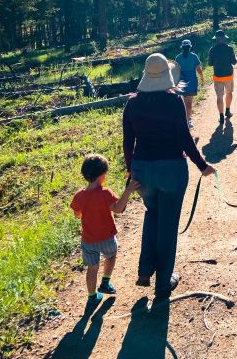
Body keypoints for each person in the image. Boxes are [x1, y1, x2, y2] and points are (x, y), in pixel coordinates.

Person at [123, 53, 215, 300]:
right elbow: (184, 138)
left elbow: (127, 143)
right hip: (171, 169)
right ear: (167, 76)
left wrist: (131, 171)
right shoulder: (174, 102)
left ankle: (145, 269)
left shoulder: (131, 104)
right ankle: (163, 284)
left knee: (151, 214)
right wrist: (202, 165)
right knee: (168, 225)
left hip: (143, 170)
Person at [70, 154, 140, 309]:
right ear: (102, 175)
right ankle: (106, 282)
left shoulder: (79, 195)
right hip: (106, 238)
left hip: (88, 241)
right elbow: (118, 209)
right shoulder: (105, 193)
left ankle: (92, 297)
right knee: (111, 255)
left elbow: (77, 214)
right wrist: (128, 190)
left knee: (92, 268)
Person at [208, 29, 237, 124]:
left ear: (216, 39)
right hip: (228, 76)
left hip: (217, 77)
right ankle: (227, 111)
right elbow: (234, 62)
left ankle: (221, 116)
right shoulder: (229, 48)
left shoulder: (212, 49)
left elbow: (210, 64)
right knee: (229, 93)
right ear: (224, 38)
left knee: (219, 96)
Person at [175, 39, 204, 129]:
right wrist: (202, 78)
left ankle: (184, 120)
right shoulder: (194, 56)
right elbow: (198, 69)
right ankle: (188, 120)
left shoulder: (178, 58)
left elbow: (175, 71)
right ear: (190, 47)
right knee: (189, 103)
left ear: (182, 48)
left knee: (183, 102)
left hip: (181, 82)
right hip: (191, 81)